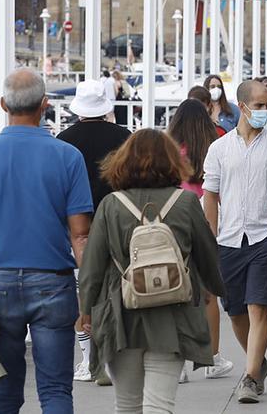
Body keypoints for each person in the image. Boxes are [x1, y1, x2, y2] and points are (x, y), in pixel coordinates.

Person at [0, 68, 93, 412]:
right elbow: (81, 234)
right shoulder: (68, 157)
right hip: (54, 282)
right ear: (45, 105)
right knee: (56, 391)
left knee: (3, 395)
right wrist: (88, 294)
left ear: (3, 104)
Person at [78, 130, 226, 413]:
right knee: (160, 406)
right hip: (173, 315)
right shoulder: (185, 203)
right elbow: (208, 255)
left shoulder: (111, 205)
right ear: (172, 161)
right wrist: (213, 289)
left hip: (122, 316)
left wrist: (86, 309)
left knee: (127, 405)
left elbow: (92, 266)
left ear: (123, 161)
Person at [202, 80, 267, 403]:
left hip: (264, 237)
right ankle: (259, 362)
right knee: (235, 310)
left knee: (260, 307)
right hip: (228, 239)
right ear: (242, 106)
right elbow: (210, 195)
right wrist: (212, 236)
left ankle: (250, 376)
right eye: (258, 105)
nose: (264, 111)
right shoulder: (219, 148)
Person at [55, 79, 132, 385]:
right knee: (117, 285)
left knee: (82, 288)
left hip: (77, 224)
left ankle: (88, 360)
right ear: (105, 106)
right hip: (117, 219)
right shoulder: (124, 137)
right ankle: (114, 353)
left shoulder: (63, 140)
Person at [168, 99, 237, 381]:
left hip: (175, 214)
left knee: (176, 289)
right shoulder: (216, 142)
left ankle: (179, 364)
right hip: (209, 213)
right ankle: (211, 358)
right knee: (208, 291)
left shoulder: (169, 147)